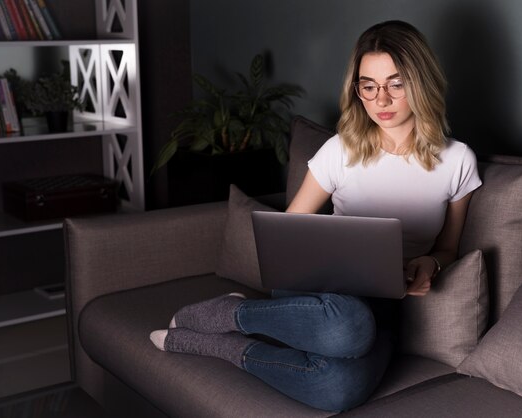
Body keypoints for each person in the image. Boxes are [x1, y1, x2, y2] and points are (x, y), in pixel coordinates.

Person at [149, 20, 482, 412]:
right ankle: (232, 312)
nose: (381, 100)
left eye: (396, 83)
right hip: (316, 290)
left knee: (335, 389)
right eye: (368, 85)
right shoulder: (340, 150)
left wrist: (430, 264)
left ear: (421, 82)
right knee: (346, 324)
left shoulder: (457, 160)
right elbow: (287, 235)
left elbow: (448, 248)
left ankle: (221, 342)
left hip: (383, 306)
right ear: (356, 88)